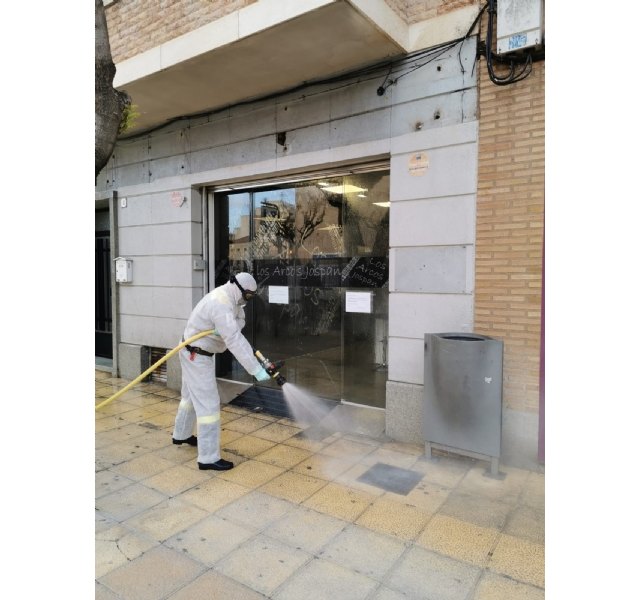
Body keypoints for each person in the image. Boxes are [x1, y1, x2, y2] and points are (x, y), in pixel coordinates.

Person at [172, 272, 270, 470]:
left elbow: (240, 321)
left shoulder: (233, 298)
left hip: (192, 351)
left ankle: (181, 434)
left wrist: (225, 328)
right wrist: (256, 369)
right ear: (237, 287)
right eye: (247, 295)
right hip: (196, 355)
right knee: (208, 405)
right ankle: (208, 458)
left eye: (251, 296)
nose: (247, 300)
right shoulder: (221, 303)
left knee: (189, 397)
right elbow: (234, 339)